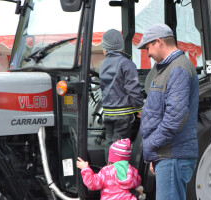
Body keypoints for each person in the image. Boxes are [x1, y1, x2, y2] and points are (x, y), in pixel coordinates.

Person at [137, 24, 199, 200]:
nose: (147, 53)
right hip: (167, 155)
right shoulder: (167, 68)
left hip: (173, 156)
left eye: (148, 47)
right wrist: (155, 154)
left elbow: (174, 118)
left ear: (159, 42)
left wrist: (152, 145)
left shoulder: (178, 68)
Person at [99, 29, 143, 163]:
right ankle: (119, 177)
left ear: (105, 49)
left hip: (107, 112)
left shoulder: (103, 64)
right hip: (123, 113)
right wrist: (139, 107)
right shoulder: (126, 63)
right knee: (120, 146)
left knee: (109, 143)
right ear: (121, 47)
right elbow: (133, 88)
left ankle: (109, 171)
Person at [77, 138, 145, 200]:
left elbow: (92, 183)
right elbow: (137, 182)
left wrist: (85, 169)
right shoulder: (133, 171)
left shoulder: (106, 171)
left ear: (112, 157)